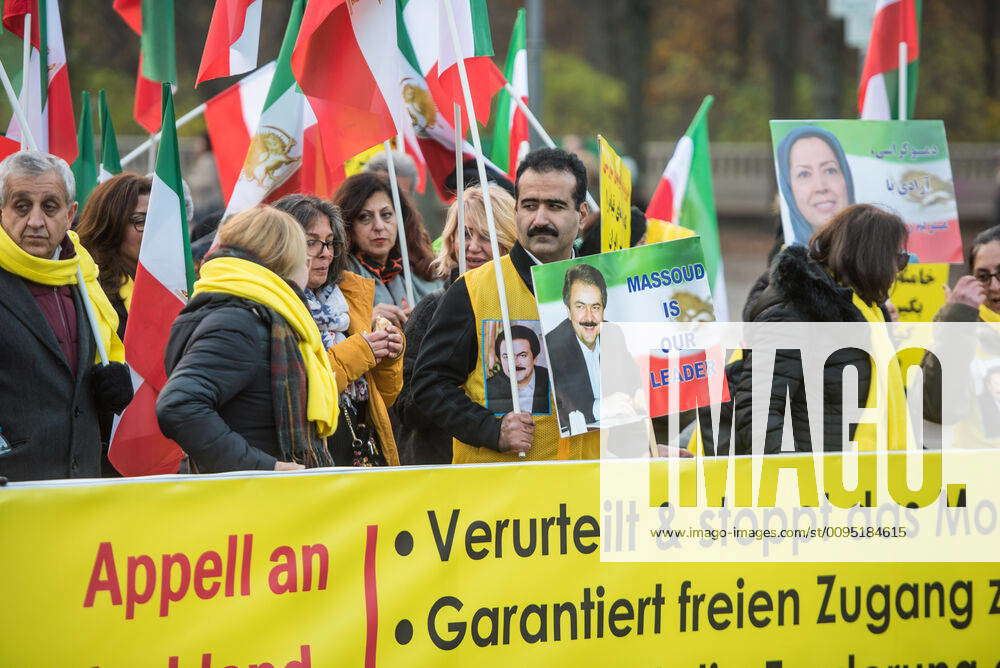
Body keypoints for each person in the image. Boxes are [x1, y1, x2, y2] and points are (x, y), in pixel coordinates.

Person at [411, 147, 600, 463]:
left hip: (589, 496)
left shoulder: (607, 290)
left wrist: (643, 450)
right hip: (502, 503)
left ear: (580, 214)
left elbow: (626, 397)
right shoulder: (472, 290)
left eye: (554, 206)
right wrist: (491, 430)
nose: (540, 219)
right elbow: (429, 385)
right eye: (529, 205)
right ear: (516, 211)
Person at [157, 206, 339, 473]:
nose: (309, 264)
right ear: (283, 260)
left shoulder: (252, 312)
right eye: (304, 254)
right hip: (249, 502)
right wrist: (265, 467)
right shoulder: (239, 323)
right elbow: (178, 405)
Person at [734, 204, 909, 453]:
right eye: (898, 258)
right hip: (815, 484)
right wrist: (796, 478)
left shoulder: (869, 314)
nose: (898, 270)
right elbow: (758, 409)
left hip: (862, 480)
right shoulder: (794, 313)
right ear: (873, 258)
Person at [0, 151, 132, 481]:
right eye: (21, 205)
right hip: (13, 491)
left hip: (79, 485)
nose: (34, 221)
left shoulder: (84, 279)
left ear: (70, 214)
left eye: (49, 206)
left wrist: (106, 393)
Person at [273, 194, 404, 467]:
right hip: (311, 455)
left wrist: (389, 355)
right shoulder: (275, 307)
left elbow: (384, 399)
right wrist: (361, 351)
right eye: (312, 243)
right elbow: (301, 390)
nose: (326, 253)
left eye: (330, 243)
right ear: (282, 244)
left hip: (359, 449)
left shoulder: (346, 301)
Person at [393, 184, 518, 465]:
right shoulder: (431, 309)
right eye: (464, 235)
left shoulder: (523, 307)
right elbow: (405, 406)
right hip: (443, 472)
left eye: (486, 236)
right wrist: (455, 384)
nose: (472, 247)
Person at [920, 224, 1000, 447]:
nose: (993, 286)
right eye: (983, 277)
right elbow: (937, 409)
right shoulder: (955, 326)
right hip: (977, 476)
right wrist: (955, 322)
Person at [333, 172, 441, 328]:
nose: (379, 226)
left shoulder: (426, 268)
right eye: (364, 217)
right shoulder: (336, 276)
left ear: (400, 219)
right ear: (348, 225)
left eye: (386, 215)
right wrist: (366, 321)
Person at [76, 173, 152, 337]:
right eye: (140, 221)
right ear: (111, 225)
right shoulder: (87, 291)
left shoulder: (177, 286)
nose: (152, 231)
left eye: (156, 221)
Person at [544, 264, 607, 431]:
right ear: (568, 311)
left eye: (595, 307)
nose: (589, 317)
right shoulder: (552, 346)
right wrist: (606, 408)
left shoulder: (615, 334)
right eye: (580, 307)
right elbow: (566, 409)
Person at [776, 126, 855, 246]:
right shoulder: (786, 260)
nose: (821, 187)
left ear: (846, 177)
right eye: (804, 174)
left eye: (830, 170)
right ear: (788, 189)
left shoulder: (879, 253)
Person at [485, 324, 551, 414]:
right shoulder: (489, 388)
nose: (514, 363)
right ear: (500, 360)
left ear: (535, 358)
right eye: (507, 356)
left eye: (522, 355)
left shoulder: (552, 379)